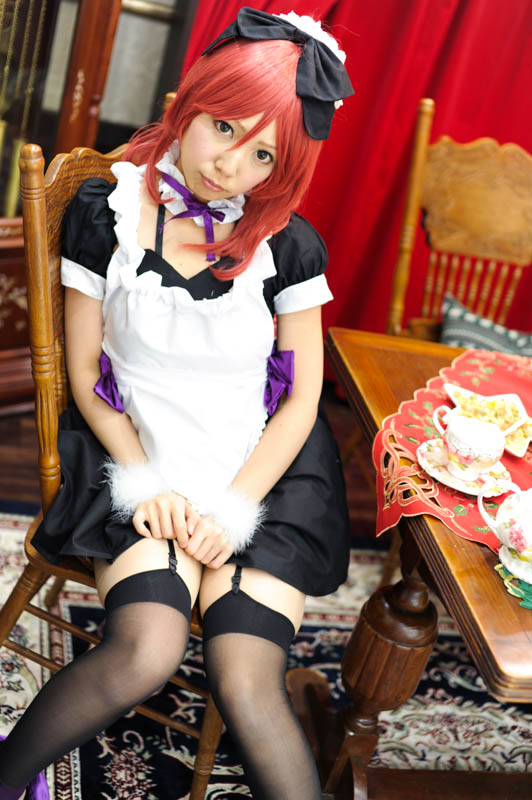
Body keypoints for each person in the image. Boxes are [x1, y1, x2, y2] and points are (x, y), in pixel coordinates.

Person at [0, 8, 353, 799]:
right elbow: (85, 369)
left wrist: (231, 509)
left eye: (263, 153)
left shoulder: (289, 244)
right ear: (191, 103)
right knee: (146, 650)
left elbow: (301, 400)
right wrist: (146, 484)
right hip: (137, 449)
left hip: (258, 472)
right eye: (223, 127)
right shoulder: (107, 215)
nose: (230, 164)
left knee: (247, 677)